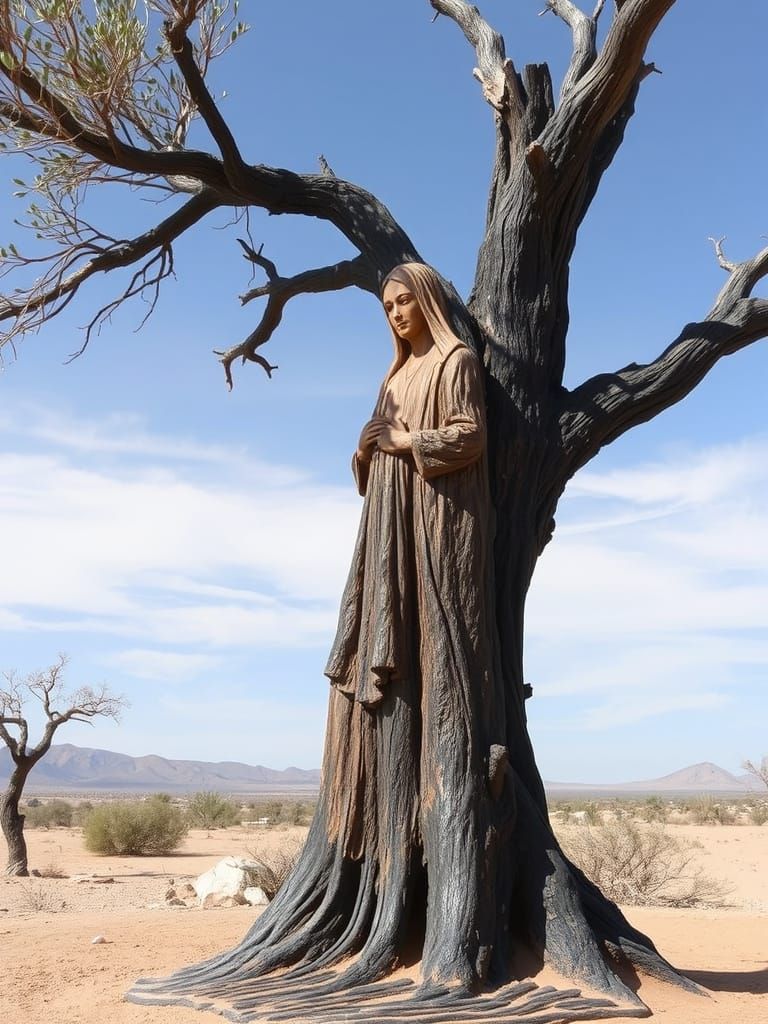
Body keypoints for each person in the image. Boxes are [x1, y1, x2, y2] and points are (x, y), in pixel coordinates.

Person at [323, 261, 504, 984]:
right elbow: (371, 458)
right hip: (387, 534)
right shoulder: (393, 378)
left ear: (427, 299)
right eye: (387, 305)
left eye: (405, 300)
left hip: (436, 530)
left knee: (442, 665)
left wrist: (406, 445)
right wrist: (367, 448)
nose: (396, 313)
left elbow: (470, 437)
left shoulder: (456, 360)